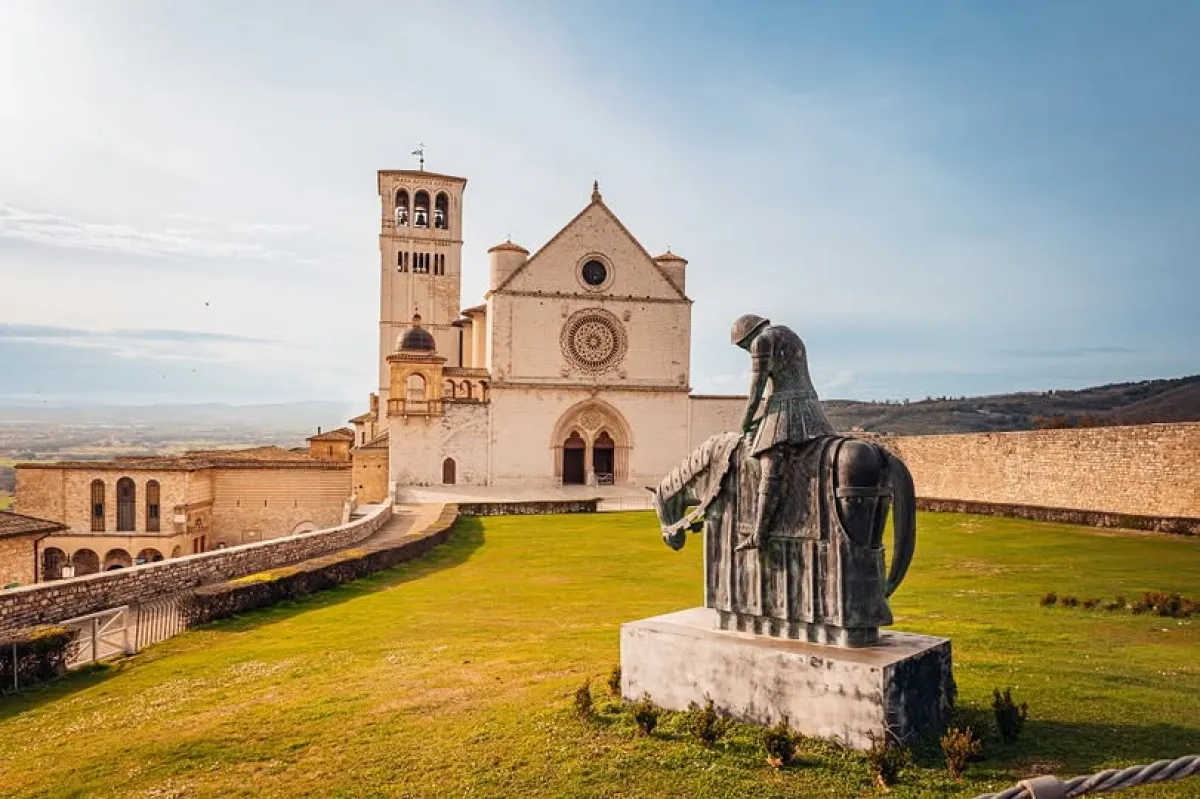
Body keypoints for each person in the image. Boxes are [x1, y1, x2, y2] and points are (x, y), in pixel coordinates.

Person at [730, 314, 836, 550]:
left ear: (748, 337)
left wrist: (745, 423)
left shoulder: (762, 342)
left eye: (743, 346)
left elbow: (756, 391)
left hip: (787, 407)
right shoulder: (790, 334)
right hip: (809, 406)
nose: (747, 351)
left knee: (770, 462)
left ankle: (759, 534)